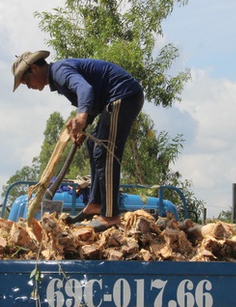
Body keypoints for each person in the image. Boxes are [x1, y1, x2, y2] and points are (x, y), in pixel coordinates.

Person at [12, 50, 144, 232]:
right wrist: (84, 124)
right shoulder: (58, 79)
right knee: (94, 144)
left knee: (106, 152)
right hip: (112, 100)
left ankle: (110, 215)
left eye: (26, 81)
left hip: (122, 96)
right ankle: (95, 204)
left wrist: (81, 118)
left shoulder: (59, 71)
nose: (28, 86)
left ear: (34, 68)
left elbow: (85, 89)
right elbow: (94, 100)